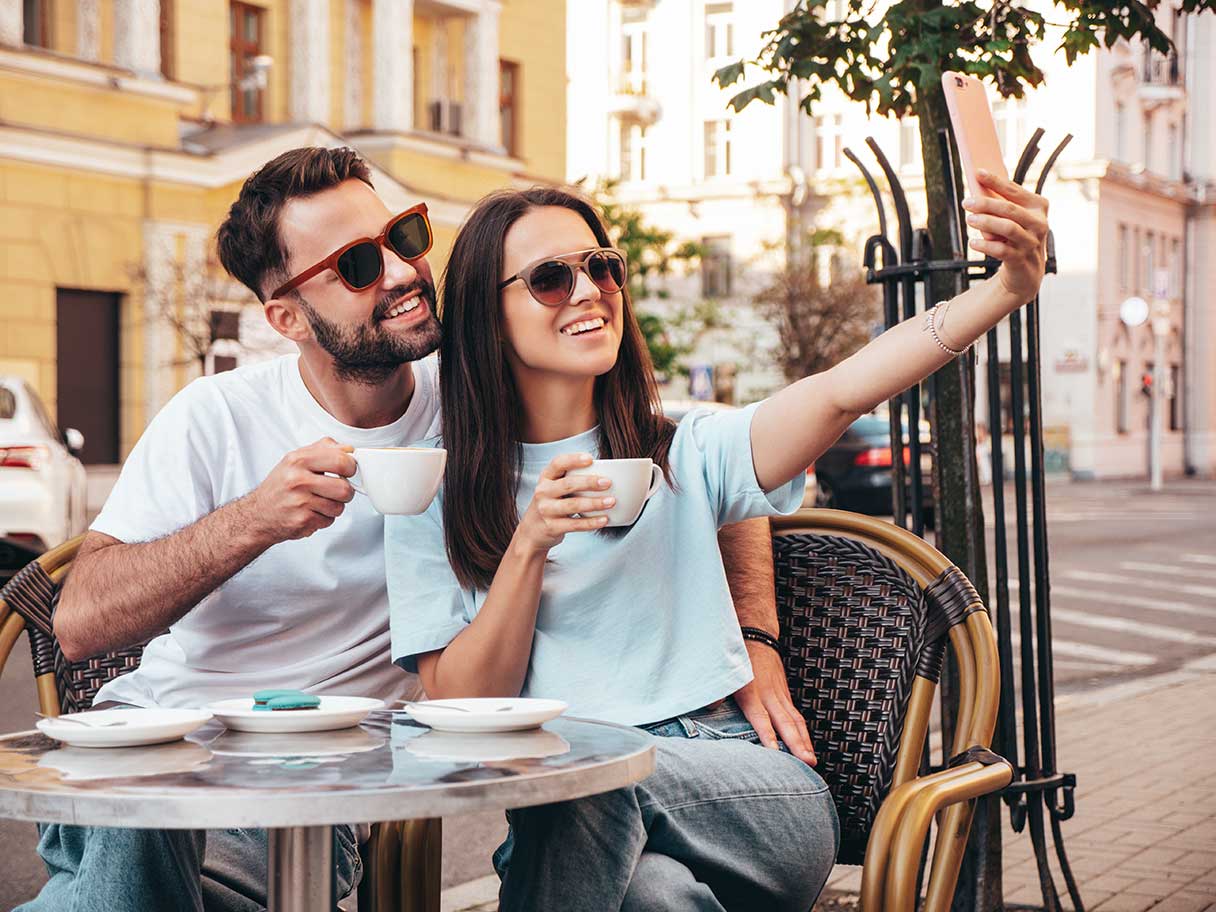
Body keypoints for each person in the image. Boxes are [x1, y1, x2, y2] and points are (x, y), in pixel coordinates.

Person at [21, 145, 802, 910]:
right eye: (358, 266)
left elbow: (682, 457)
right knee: (146, 814)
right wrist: (253, 522)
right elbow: (82, 622)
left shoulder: (479, 396)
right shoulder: (215, 415)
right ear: (286, 317)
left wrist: (756, 643)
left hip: (310, 791)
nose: (400, 272)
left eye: (404, 237)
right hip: (162, 749)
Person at [387, 176, 1049, 910]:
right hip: (578, 810)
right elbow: (466, 701)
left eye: (602, 266)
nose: (588, 291)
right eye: (550, 278)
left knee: (592, 771)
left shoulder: (688, 449)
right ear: (489, 313)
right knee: (652, 895)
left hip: (747, 784)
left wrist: (1001, 293)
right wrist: (529, 547)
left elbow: (839, 392)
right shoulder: (435, 489)